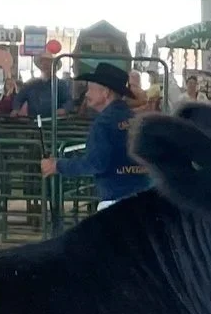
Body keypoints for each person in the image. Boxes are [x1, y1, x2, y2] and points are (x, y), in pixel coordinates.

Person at [39, 61, 150, 206]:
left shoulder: (103, 123)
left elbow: (96, 164)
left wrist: (57, 165)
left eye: (91, 89)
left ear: (106, 93)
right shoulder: (136, 120)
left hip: (115, 199)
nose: (86, 94)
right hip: (144, 197)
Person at [9, 56, 63, 122]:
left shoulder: (61, 84)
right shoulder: (31, 84)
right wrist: (16, 109)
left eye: (48, 64)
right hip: (34, 122)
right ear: (40, 67)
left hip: (55, 123)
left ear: (55, 68)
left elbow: (68, 100)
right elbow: (19, 98)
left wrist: (64, 109)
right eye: (43, 64)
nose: (45, 66)